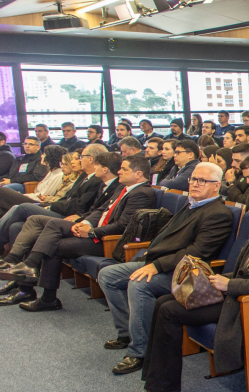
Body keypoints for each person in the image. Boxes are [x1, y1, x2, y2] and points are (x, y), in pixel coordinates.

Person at [128, 180, 249, 392]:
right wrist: (213, 279)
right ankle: (157, 382)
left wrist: (229, 284)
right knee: (163, 302)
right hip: (237, 295)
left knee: (170, 311)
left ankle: (162, 386)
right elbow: (247, 271)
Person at [98, 163, 234, 374]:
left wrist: (157, 266)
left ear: (216, 186)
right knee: (107, 275)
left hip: (183, 272)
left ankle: (140, 351)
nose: (195, 184)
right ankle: (128, 333)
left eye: (202, 181)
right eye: (193, 179)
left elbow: (198, 252)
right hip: (159, 261)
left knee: (139, 283)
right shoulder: (192, 204)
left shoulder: (218, 213)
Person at [0, 155, 157, 310]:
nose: (119, 172)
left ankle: (37, 283)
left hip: (108, 241)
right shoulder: (124, 188)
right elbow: (101, 210)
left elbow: (122, 227)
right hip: (95, 232)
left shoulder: (141, 193)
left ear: (138, 174)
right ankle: (28, 272)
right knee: (47, 227)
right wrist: (84, 223)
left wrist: (91, 231)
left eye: (124, 169)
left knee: (52, 243)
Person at [0, 145, 67, 218]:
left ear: (50, 157)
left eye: (44, 154)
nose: (41, 156)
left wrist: (24, 196)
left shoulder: (59, 175)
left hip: (39, 203)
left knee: (3, 191)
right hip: (33, 198)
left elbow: (43, 196)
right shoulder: (51, 172)